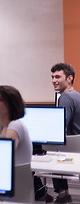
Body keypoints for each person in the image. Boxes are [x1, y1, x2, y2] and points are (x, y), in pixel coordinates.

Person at [50, 62, 80, 203]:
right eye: (52, 77)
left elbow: (58, 127)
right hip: (77, 145)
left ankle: (62, 194)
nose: (54, 80)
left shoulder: (65, 97)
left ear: (69, 78)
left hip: (71, 147)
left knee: (41, 147)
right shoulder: (77, 95)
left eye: (57, 77)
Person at [0, 85, 32, 165]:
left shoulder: (15, 125)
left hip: (17, 176)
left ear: (11, 104)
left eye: (0, 100)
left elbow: (3, 157)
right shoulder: (6, 126)